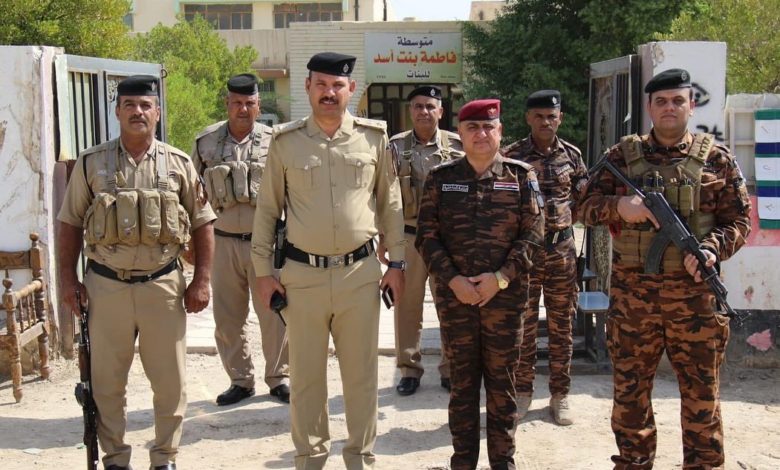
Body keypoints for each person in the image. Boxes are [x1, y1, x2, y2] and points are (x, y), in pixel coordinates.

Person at [579, 68, 751, 469]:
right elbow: (580, 206)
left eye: (677, 100)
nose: (669, 108)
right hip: (633, 301)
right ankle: (634, 463)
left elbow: (740, 222)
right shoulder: (621, 157)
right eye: (661, 101)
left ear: (691, 105)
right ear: (649, 107)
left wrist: (711, 249)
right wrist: (619, 207)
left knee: (701, 398)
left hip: (695, 302)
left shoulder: (718, 160)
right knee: (630, 397)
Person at [251, 52, 405, 469]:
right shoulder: (285, 142)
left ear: (351, 89)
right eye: (321, 84)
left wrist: (397, 264)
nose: (329, 93)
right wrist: (263, 274)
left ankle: (360, 459)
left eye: (337, 85)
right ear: (308, 87)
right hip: (302, 278)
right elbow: (267, 211)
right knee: (305, 381)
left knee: (361, 378)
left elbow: (390, 204)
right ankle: (310, 460)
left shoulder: (373, 139)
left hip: (360, 275)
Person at [57, 75, 216, 470]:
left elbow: (203, 223)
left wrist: (202, 280)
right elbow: (70, 223)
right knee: (107, 383)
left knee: (170, 382)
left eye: (145, 105)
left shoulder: (178, 164)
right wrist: (67, 281)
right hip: (106, 286)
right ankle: (115, 457)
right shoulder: (92, 163)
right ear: (117, 112)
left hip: (163, 286)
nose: (137, 112)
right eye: (129, 105)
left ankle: (164, 457)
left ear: (157, 112)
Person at [416, 99, 545, 469]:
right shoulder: (441, 178)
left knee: (503, 386)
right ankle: (463, 461)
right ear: (460, 133)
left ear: (500, 131)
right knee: (462, 386)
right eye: (473, 127)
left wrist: (500, 279)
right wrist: (454, 280)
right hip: (456, 301)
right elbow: (426, 237)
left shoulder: (521, 177)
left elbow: (534, 235)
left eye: (489, 127)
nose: (481, 134)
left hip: (505, 302)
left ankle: (503, 461)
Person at [192, 73, 290, 406]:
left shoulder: (277, 142)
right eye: (237, 103)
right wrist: (192, 243)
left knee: (274, 313)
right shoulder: (206, 143)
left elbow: (292, 193)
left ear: (259, 105)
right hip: (222, 242)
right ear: (227, 104)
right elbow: (192, 196)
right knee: (227, 316)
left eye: (250, 103)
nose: (243, 109)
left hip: (266, 243)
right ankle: (240, 380)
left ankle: (279, 377)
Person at [501, 90, 588, 425]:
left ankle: (560, 394)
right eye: (539, 116)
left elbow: (583, 198)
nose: (545, 122)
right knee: (523, 326)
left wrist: (563, 223)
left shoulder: (573, 155)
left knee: (561, 326)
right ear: (528, 118)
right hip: (527, 253)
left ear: (560, 118)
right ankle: (523, 392)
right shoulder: (513, 156)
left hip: (562, 253)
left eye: (551, 116)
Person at [380, 85, 464, 396]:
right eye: (418, 106)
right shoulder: (395, 146)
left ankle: (451, 368)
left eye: (430, 106)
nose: (424, 112)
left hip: (447, 240)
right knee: (406, 306)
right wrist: (384, 237)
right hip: (409, 238)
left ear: (441, 111)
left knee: (450, 305)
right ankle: (409, 369)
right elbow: (383, 194)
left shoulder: (458, 146)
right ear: (410, 111)